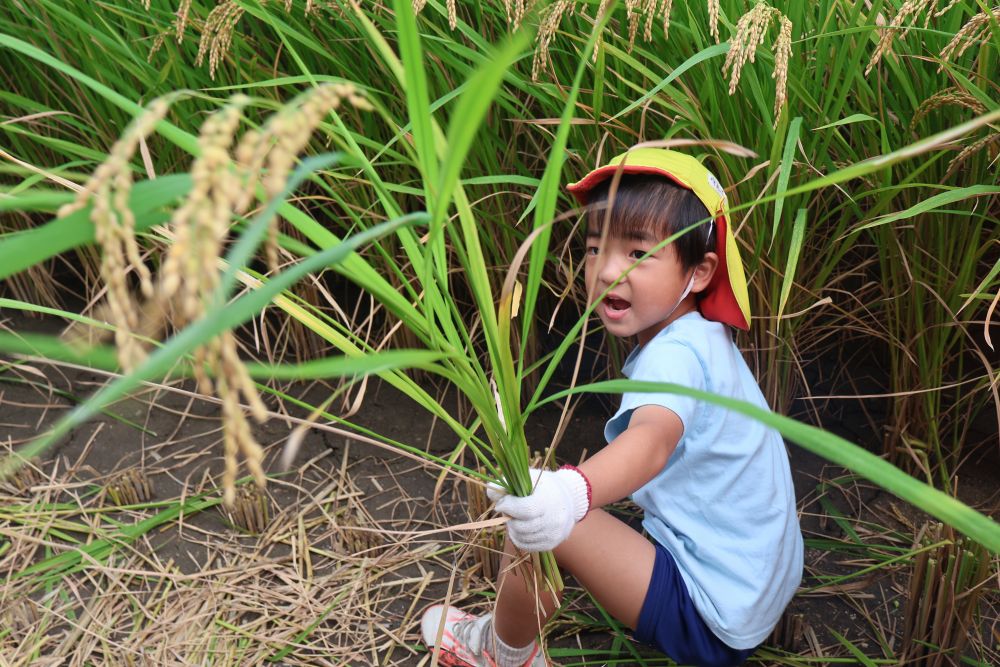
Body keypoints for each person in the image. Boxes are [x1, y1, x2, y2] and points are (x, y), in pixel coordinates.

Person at [420, 148, 803, 667]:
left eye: (638, 253)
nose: (605, 271)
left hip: (711, 617)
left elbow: (651, 441)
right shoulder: (702, 337)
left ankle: (503, 653)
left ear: (699, 272)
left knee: (539, 513)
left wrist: (567, 495)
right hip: (754, 587)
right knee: (553, 503)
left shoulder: (675, 354)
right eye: (595, 248)